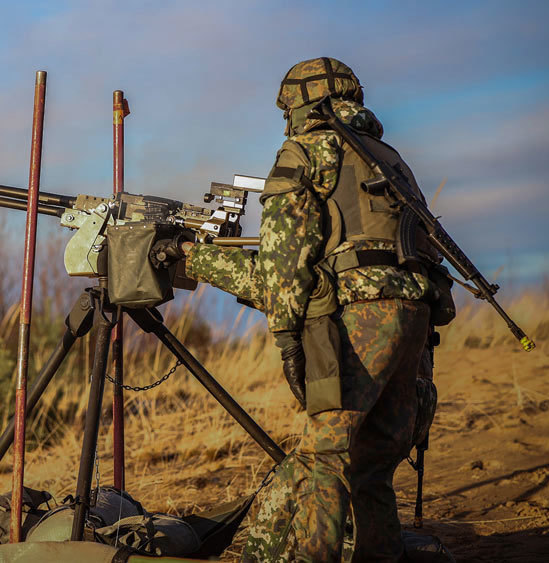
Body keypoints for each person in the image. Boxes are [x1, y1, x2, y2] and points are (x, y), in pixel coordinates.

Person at [183, 57, 443, 561]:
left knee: (327, 457)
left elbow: (285, 260)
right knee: (373, 465)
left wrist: (284, 337)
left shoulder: (303, 151)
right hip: (414, 315)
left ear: (301, 104)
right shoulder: (388, 157)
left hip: (360, 314)